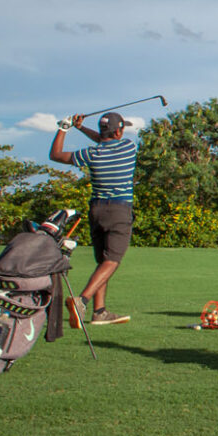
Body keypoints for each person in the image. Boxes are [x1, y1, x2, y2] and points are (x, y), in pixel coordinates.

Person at [49, 111, 137, 326]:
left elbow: (56, 155)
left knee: (102, 261)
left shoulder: (91, 153)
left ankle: (100, 312)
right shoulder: (128, 147)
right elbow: (105, 139)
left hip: (97, 210)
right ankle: (83, 300)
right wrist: (82, 129)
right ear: (119, 131)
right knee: (112, 261)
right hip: (119, 211)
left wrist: (65, 128)